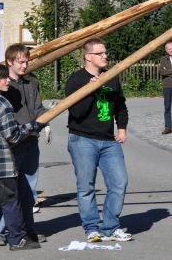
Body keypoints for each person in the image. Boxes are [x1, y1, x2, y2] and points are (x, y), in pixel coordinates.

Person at [65, 38, 133, 242]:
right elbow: (76, 113)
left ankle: (110, 227)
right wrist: (91, 90)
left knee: (119, 182)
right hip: (82, 139)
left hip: (108, 141)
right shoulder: (76, 80)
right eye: (100, 53)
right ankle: (92, 228)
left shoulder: (111, 78)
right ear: (88, 57)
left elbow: (120, 105)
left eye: (106, 52)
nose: (106, 56)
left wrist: (121, 127)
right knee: (86, 186)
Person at [0, 44, 47, 244]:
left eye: (27, 61)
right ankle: (0, 231)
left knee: (29, 190)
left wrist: (45, 122)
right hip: (11, 144)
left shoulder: (31, 82)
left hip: (31, 141)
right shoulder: (3, 85)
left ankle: (28, 231)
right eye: (21, 61)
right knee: (8, 192)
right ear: (10, 62)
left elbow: (38, 108)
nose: (25, 65)